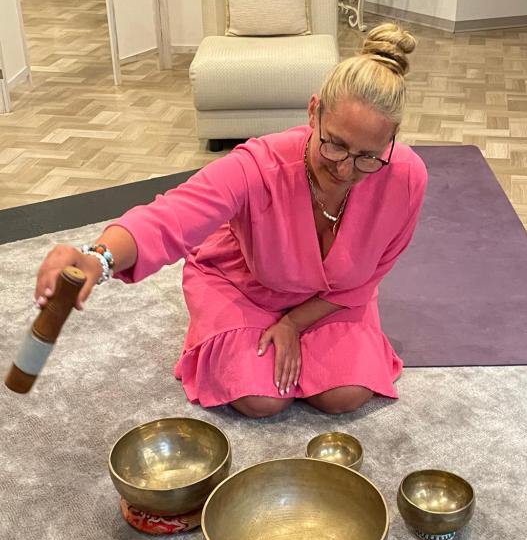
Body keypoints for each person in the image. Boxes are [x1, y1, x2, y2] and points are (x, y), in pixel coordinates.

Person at [35, 23, 427, 418]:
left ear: (391, 139)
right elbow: (173, 216)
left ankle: (303, 341)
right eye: (335, 144)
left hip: (330, 301)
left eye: (367, 157)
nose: (344, 169)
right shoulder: (259, 166)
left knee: (344, 395)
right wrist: (98, 257)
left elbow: (368, 277)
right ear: (314, 112)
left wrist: (293, 323)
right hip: (244, 284)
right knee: (262, 399)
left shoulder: (406, 179)